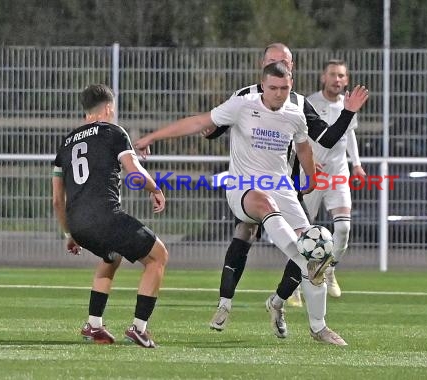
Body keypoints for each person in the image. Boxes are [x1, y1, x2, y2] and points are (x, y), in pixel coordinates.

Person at [136, 62, 363, 345]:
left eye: (284, 88)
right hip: (243, 189)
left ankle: (319, 328)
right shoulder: (243, 104)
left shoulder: (295, 112)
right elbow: (198, 122)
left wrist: (312, 178)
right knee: (269, 210)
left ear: (290, 85)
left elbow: (304, 145)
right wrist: (151, 137)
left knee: (315, 252)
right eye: (273, 88)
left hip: (281, 188)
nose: (279, 94)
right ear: (262, 84)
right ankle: (293, 267)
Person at [202, 43, 369, 334]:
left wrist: (347, 113)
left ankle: (278, 303)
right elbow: (214, 127)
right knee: (245, 232)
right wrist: (209, 129)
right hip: (252, 184)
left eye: (285, 61)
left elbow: (326, 139)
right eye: (273, 60)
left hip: (287, 187)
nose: (280, 64)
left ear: (292, 68)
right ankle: (224, 303)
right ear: (262, 65)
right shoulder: (244, 96)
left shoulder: (300, 104)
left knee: (307, 246)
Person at [52, 84, 169, 348]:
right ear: (108, 108)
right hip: (105, 218)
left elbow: (57, 200)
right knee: (158, 256)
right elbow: (134, 173)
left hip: (78, 224)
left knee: (111, 257)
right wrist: (156, 188)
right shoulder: (113, 132)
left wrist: (69, 233)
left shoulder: (66, 144)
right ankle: (139, 328)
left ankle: (94, 326)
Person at [303, 59, 366, 298]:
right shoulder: (309, 103)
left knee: (343, 227)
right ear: (323, 78)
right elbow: (299, 136)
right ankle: (297, 281)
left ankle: (329, 270)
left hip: (338, 173)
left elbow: (349, 134)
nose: (337, 79)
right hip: (311, 174)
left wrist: (357, 164)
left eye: (341, 75)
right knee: (303, 231)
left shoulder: (348, 105)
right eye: (332, 75)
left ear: (346, 80)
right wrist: (307, 160)